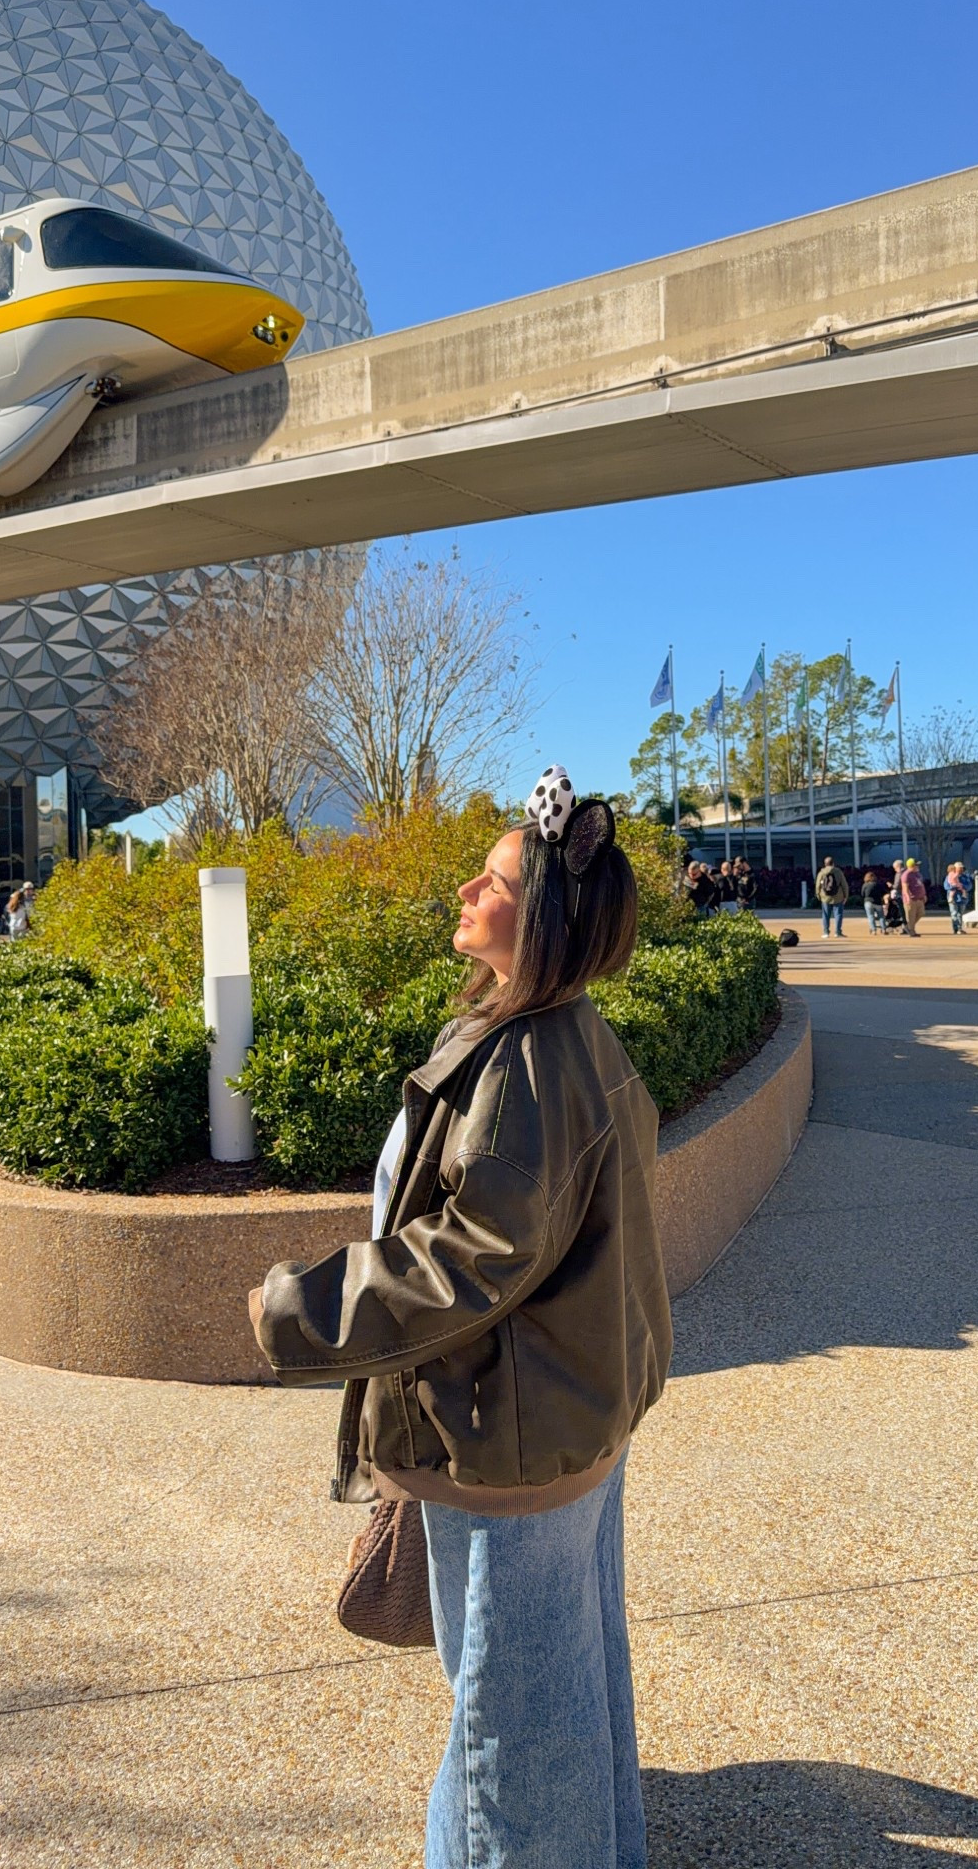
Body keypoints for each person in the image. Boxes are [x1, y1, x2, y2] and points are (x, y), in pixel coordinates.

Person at [251, 771, 670, 1869]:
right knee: (567, 1677)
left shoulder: (528, 1064)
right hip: (567, 1411)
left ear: (534, 920)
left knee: (507, 1729)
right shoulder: (558, 1034)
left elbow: (468, 1259)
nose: (465, 885)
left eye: (488, 878)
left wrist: (299, 1307)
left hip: (507, 1433)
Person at [815, 855, 849, 939]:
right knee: (838, 914)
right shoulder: (838, 872)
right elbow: (844, 885)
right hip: (838, 897)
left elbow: (818, 885)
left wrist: (818, 895)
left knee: (825, 915)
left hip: (825, 897)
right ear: (833, 863)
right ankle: (838, 932)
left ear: (825, 864)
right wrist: (846, 896)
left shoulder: (821, 873)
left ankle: (826, 932)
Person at [899, 857, 927, 936]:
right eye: (916, 865)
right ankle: (912, 931)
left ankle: (908, 927)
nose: (918, 866)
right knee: (911, 916)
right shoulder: (906, 875)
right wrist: (908, 897)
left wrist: (924, 894)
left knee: (921, 913)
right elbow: (905, 887)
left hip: (919, 898)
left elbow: (921, 885)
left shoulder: (918, 874)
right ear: (911, 866)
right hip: (911, 899)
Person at [944, 861, 971, 933]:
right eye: (959, 868)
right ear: (955, 868)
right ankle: (955, 929)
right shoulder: (949, 876)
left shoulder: (965, 877)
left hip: (962, 899)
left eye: (962, 868)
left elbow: (969, 886)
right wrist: (953, 887)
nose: (961, 870)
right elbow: (946, 886)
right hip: (953, 899)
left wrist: (962, 886)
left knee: (960, 914)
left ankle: (959, 928)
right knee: (954, 913)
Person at [862, 868, 888, 934]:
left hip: (868, 902)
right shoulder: (878, 884)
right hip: (878, 902)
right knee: (881, 916)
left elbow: (862, 894)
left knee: (871, 916)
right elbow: (884, 892)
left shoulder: (865, 885)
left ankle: (873, 930)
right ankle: (884, 929)